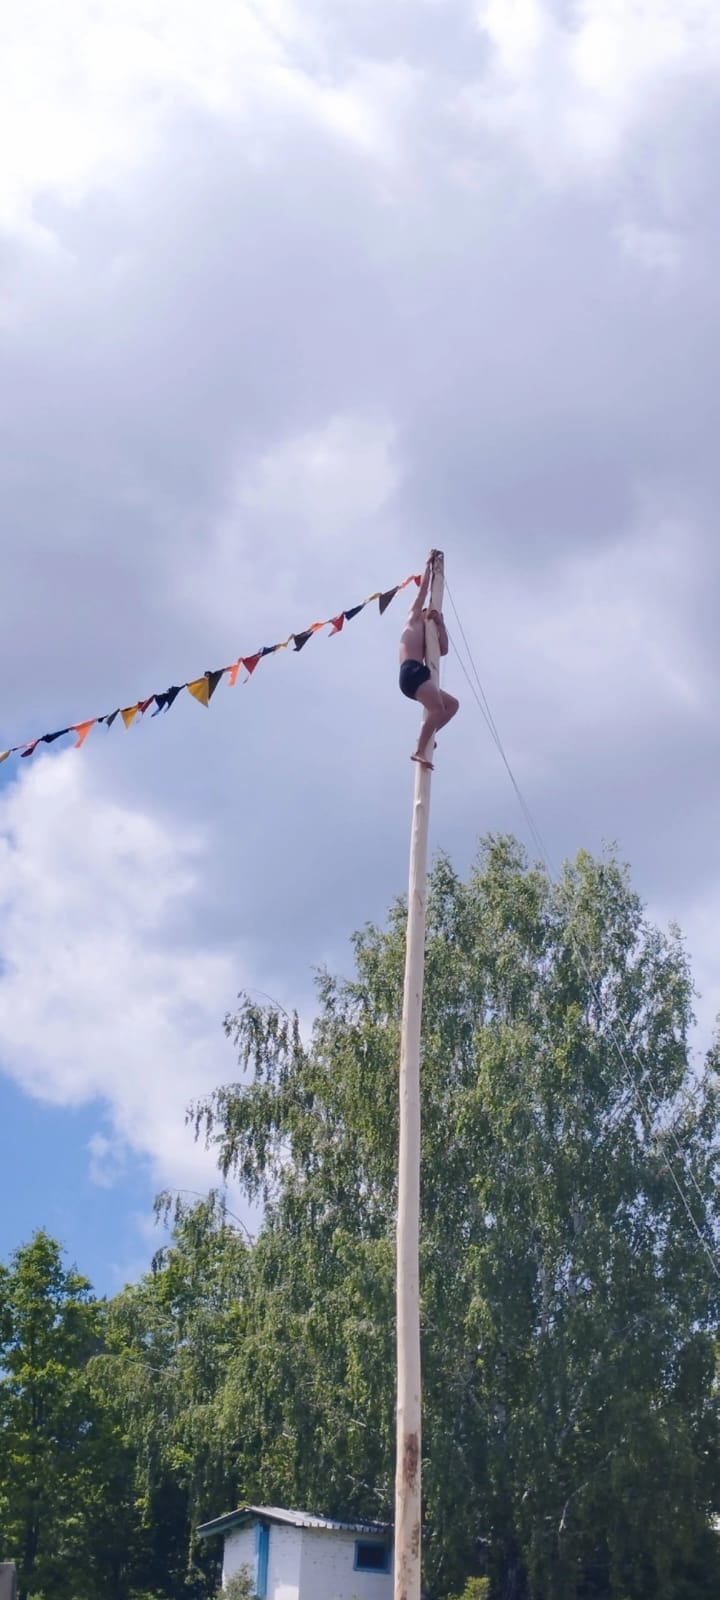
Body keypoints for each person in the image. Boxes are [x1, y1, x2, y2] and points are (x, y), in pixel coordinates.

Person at [399, 551, 459, 769]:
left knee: (451, 705)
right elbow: (423, 591)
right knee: (437, 709)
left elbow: (443, 650)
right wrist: (429, 566)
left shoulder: (429, 634)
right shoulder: (414, 619)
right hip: (411, 671)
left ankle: (427, 737)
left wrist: (440, 624)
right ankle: (418, 750)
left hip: (419, 675)